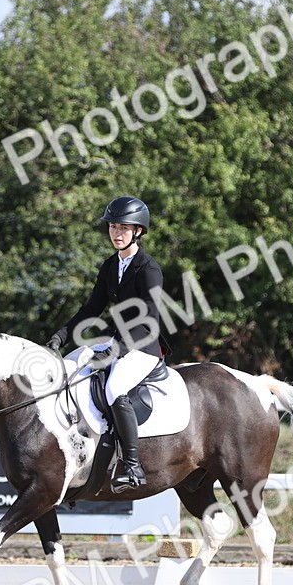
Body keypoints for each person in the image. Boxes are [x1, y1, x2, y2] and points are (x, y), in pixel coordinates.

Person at [45, 196, 170, 493]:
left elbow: (149, 319)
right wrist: (60, 336)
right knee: (72, 365)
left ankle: (132, 465)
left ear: (138, 231)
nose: (116, 233)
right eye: (113, 227)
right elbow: (91, 309)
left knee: (114, 386)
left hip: (143, 347)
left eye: (123, 228)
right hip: (117, 343)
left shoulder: (148, 269)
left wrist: (118, 350)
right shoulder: (111, 266)